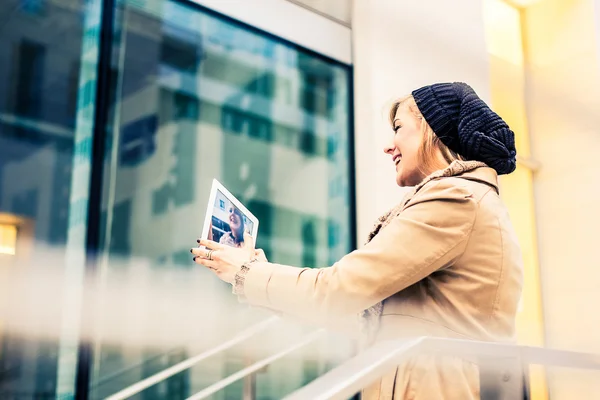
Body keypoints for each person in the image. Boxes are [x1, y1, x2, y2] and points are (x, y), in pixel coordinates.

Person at [191, 82, 524, 399]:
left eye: (398, 128)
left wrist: (248, 273)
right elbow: (361, 313)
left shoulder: (456, 201)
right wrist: (256, 275)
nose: (388, 145)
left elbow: (338, 291)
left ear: (434, 133)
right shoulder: (470, 201)